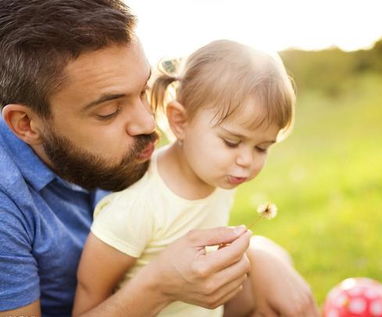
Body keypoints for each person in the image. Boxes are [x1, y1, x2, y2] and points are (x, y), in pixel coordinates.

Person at [0, 1, 318, 316]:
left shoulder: (157, 150)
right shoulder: (6, 205)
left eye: (143, 91)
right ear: (26, 124)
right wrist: (160, 286)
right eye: (108, 112)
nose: (150, 124)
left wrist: (262, 257)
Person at [72, 39, 309, 317]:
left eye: (262, 147)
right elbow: (88, 303)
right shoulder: (136, 206)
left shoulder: (217, 176)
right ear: (180, 121)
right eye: (232, 142)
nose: (247, 160)